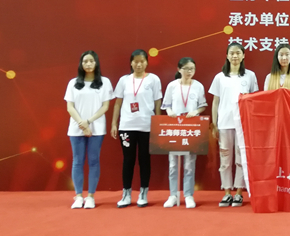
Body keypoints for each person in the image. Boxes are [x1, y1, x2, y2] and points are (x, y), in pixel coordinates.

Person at [209, 42, 259, 208]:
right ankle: (226, 192)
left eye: (238, 53)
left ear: (243, 55)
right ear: (227, 56)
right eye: (232, 53)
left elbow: (254, 100)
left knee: (240, 159)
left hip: (242, 124)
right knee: (225, 160)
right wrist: (214, 123)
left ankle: (238, 192)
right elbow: (215, 102)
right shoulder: (220, 77)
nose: (235, 56)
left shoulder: (250, 76)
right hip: (224, 123)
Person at [111, 49, 162, 208]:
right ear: (131, 63)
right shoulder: (124, 80)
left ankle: (143, 193)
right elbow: (118, 103)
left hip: (147, 126)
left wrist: (158, 123)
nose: (139, 64)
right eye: (136, 61)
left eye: (142, 61)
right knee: (128, 160)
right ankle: (126, 193)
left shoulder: (153, 79)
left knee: (144, 159)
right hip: (127, 126)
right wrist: (114, 123)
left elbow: (158, 102)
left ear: (147, 62)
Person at [65, 51, 113, 209]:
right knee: (77, 161)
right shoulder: (73, 83)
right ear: (81, 64)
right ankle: (78, 196)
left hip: (96, 128)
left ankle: (91, 196)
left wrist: (88, 122)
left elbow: (105, 106)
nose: (88, 64)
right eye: (85, 61)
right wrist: (82, 123)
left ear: (96, 63)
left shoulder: (104, 82)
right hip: (76, 128)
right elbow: (70, 107)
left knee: (93, 161)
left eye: (91, 61)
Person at [161, 57, 207, 209]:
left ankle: (188, 195)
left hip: (191, 128)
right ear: (179, 69)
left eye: (192, 69)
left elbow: (202, 105)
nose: (189, 71)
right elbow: (166, 105)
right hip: (175, 127)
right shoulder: (172, 85)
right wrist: (169, 111)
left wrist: (196, 111)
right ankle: (173, 195)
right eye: (186, 68)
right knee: (173, 164)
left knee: (189, 164)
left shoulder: (198, 86)